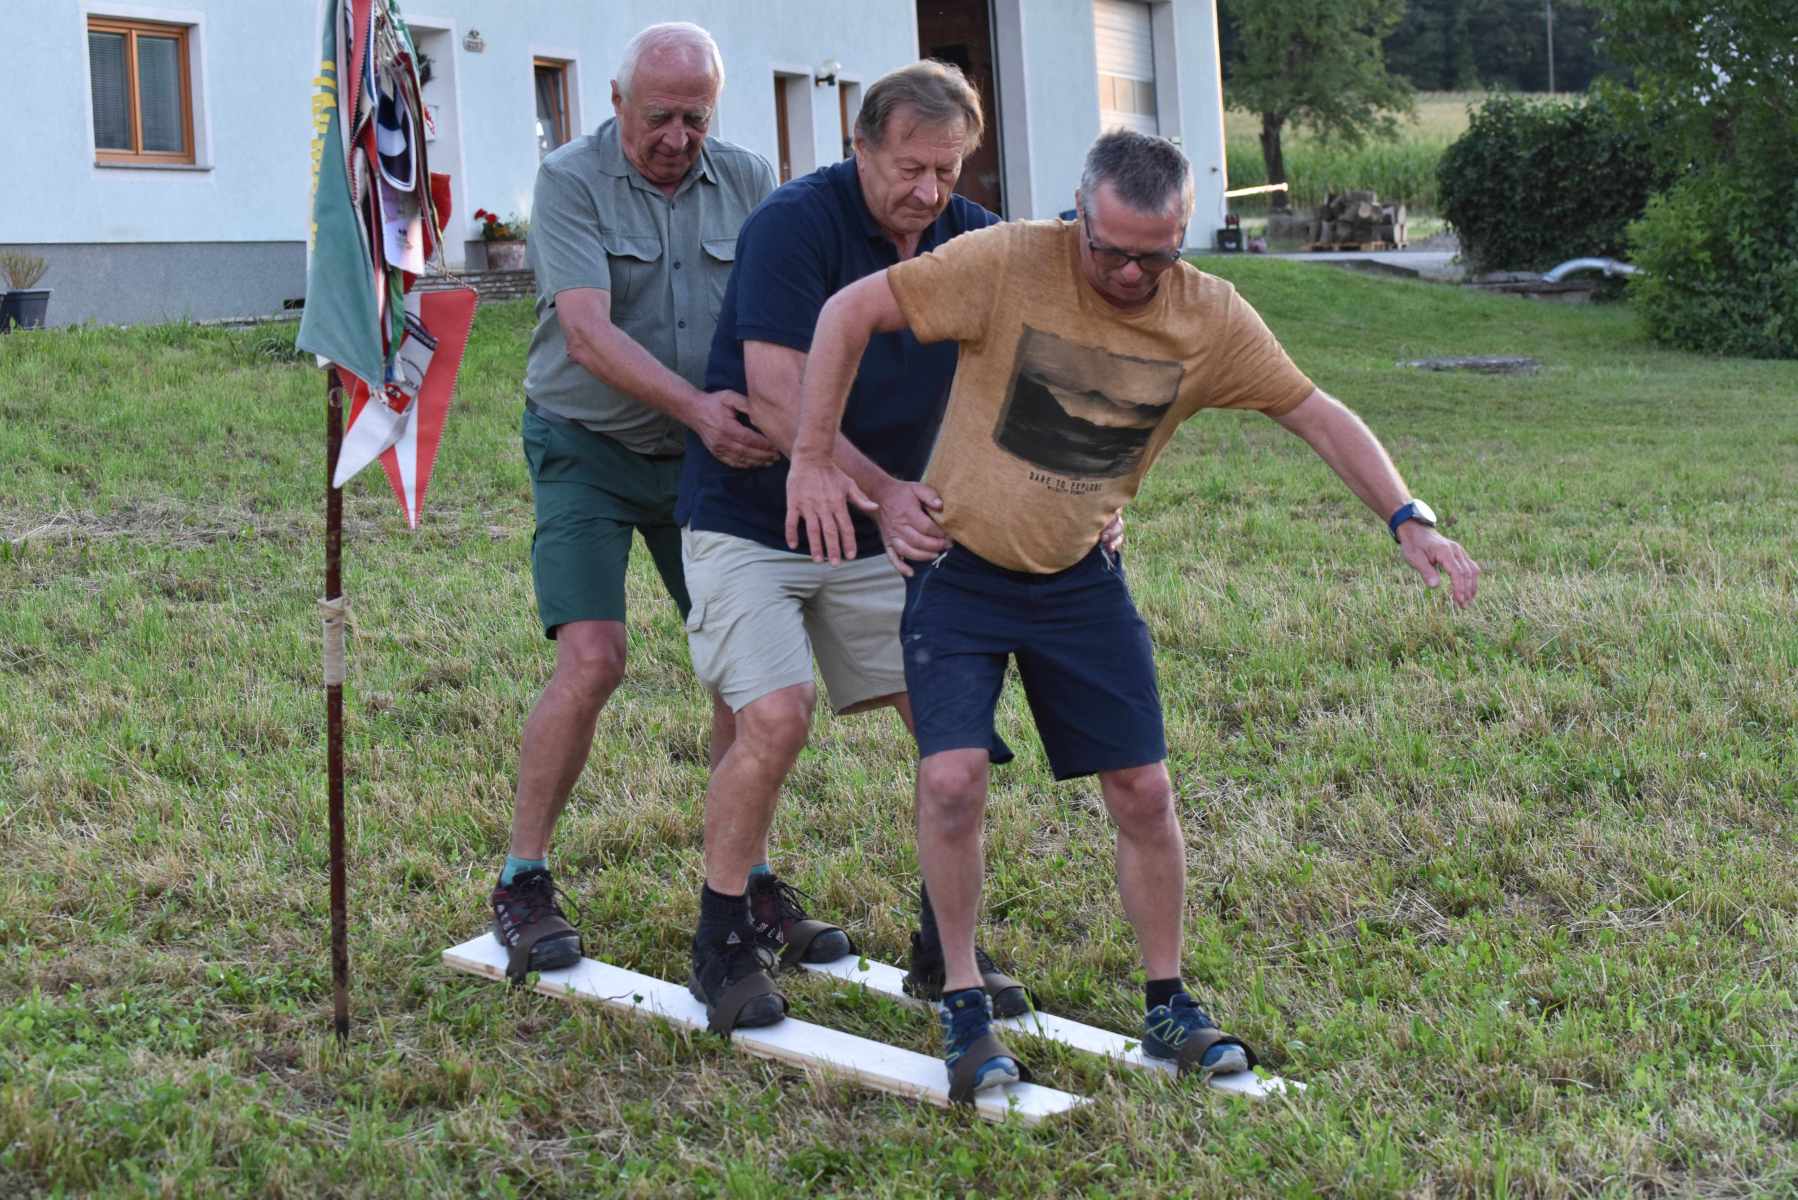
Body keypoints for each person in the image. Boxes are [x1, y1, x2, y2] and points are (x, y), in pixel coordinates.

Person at [784, 129, 1482, 1098]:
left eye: (1154, 257)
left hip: (1080, 580)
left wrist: (1407, 518)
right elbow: (847, 313)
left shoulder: (1208, 317)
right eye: (1107, 249)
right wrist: (818, 459)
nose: (1126, 274)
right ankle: (962, 997)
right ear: (1079, 213)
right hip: (959, 568)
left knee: (1145, 792)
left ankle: (1168, 1002)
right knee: (950, 780)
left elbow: (1315, 412)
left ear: (1182, 234)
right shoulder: (1007, 261)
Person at [673, 61, 1115, 1033]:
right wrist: (887, 492)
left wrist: (1085, 492)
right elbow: (779, 397)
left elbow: (1037, 380)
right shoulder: (793, 224)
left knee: (950, 728)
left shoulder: (977, 240)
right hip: (751, 517)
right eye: (909, 167)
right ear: (861, 147)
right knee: (774, 717)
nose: (926, 191)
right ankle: (722, 938)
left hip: (884, 524)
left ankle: (942, 948)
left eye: (946, 171)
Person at [488, 23, 781, 983]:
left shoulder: (750, 180)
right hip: (588, 445)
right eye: (659, 116)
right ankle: (524, 878)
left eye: (696, 117)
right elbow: (585, 334)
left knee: (743, 670)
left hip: (709, 458)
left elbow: (786, 314)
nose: (677, 137)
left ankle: (746, 882)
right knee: (594, 658)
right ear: (616, 102)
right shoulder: (570, 181)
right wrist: (701, 409)